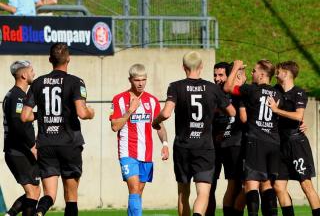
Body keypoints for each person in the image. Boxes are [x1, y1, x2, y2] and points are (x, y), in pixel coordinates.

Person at [152, 51, 236, 216]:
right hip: (205, 147)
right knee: (203, 193)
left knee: (183, 194)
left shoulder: (175, 86)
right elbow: (232, 112)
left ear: (184, 67)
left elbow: (167, 113)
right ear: (201, 67)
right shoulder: (212, 88)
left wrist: (155, 121)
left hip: (183, 147)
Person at [21, 43, 95, 216]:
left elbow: (25, 116)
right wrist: (91, 112)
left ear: (50, 60)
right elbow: (82, 113)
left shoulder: (38, 83)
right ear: (68, 59)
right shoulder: (76, 82)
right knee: (71, 196)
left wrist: (43, 115)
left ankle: (40, 211)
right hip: (70, 144)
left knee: (50, 195)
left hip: (46, 144)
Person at [109, 63, 169, 216]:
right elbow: (115, 126)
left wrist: (165, 144)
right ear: (130, 80)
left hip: (146, 153)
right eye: (137, 80)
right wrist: (130, 110)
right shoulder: (119, 99)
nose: (141, 83)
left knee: (138, 193)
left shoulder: (153, 101)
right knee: (134, 189)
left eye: (143, 80)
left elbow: (159, 125)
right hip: (127, 153)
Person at [224, 59, 282, 216]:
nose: (252, 73)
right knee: (268, 185)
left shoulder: (251, 90)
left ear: (262, 74)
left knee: (251, 185)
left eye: (254, 71)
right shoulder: (278, 93)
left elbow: (228, 87)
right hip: (274, 143)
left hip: (256, 142)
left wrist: (236, 67)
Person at [267, 61, 320, 216]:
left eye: (279, 71)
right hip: (280, 145)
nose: (276, 74)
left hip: (297, 144)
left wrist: (276, 110)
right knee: (278, 186)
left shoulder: (299, 93)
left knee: (306, 185)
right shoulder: (275, 91)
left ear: (286, 73)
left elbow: (298, 115)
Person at [206, 62, 247, 216]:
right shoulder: (210, 92)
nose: (217, 78)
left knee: (235, 185)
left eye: (221, 75)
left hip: (234, 144)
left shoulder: (237, 91)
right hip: (213, 146)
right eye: (215, 75)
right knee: (209, 186)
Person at [2, 60, 40, 216]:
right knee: (32, 193)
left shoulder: (15, 94)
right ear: (24, 75)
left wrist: (40, 115)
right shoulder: (17, 96)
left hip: (20, 151)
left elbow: (25, 118)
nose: (34, 73)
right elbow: (18, 124)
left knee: (35, 192)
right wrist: (32, 145)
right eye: (31, 71)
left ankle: (10, 214)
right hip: (19, 152)